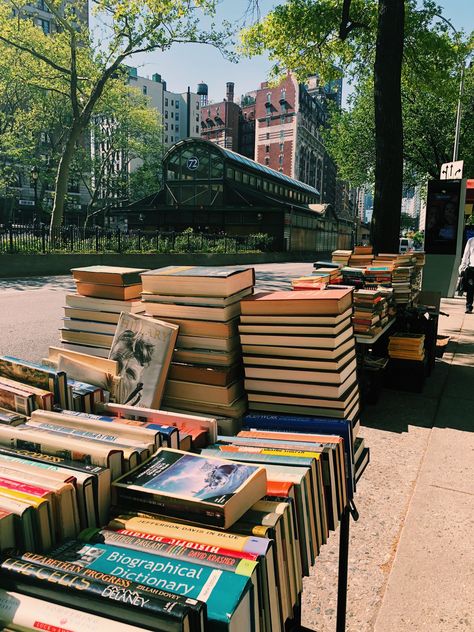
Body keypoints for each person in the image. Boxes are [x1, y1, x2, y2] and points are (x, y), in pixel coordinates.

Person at [459, 236, 474, 313]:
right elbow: (466, 254)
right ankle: (468, 307)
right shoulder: (471, 241)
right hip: (472, 268)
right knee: (470, 289)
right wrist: (462, 267)